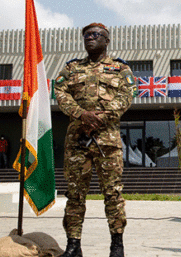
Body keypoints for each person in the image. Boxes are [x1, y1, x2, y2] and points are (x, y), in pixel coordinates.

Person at [54, 23, 137, 257]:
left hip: (107, 142)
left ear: (106, 40)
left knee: (112, 193)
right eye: (86, 35)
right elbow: (59, 91)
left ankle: (117, 245)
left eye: (95, 35)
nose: (90, 38)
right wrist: (82, 114)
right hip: (77, 141)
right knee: (74, 194)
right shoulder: (72, 68)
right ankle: (73, 245)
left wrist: (102, 117)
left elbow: (128, 94)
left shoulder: (120, 68)